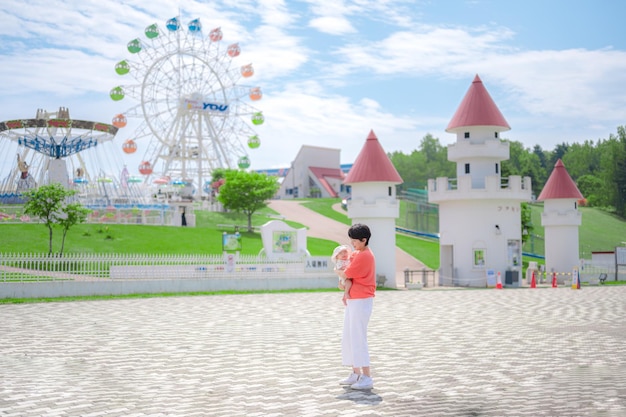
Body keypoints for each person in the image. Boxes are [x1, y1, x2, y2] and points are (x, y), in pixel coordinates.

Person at [336, 223, 376, 390]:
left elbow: (345, 274)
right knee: (350, 336)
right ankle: (356, 373)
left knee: (358, 337)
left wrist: (338, 269)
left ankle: (366, 376)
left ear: (364, 240)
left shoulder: (364, 256)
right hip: (354, 299)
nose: (352, 244)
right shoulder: (359, 253)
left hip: (361, 300)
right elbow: (344, 279)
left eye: (355, 241)